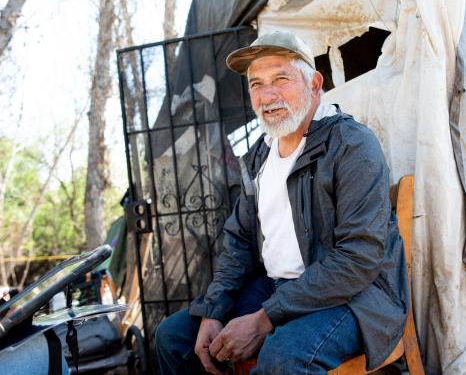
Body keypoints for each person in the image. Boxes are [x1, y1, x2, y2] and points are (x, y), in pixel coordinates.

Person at [155, 31, 408, 375]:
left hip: (355, 297)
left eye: (280, 79)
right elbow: (239, 242)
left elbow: (358, 258)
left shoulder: (351, 145)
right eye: (256, 84)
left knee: (282, 358)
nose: (267, 95)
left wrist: (265, 319)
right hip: (275, 289)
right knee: (174, 338)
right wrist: (214, 310)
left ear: (314, 84)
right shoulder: (259, 156)